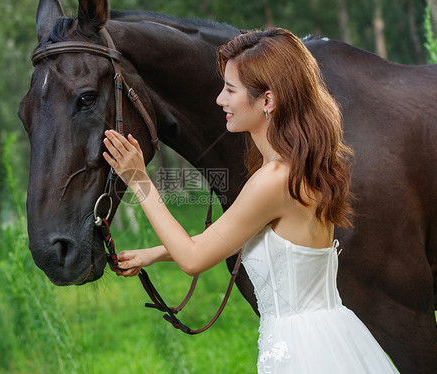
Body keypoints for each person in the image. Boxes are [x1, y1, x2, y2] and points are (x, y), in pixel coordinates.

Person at [103, 28, 399, 373]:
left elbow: (194, 259)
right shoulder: (299, 166)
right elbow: (232, 238)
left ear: (268, 101)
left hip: (303, 353)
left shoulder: (273, 181)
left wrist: (138, 178)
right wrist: (155, 253)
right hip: (330, 338)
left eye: (230, 89)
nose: (220, 100)